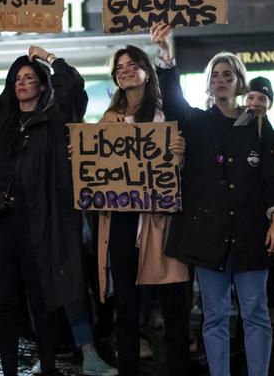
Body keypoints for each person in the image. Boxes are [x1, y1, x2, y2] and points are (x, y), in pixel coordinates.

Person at [0, 0, 89, 374]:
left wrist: (47, 56)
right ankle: (9, 369)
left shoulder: (56, 119)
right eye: (17, 79)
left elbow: (72, 85)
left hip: (41, 223)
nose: (22, 83)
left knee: (43, 297)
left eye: (30, 78)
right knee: (4, 301)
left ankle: (47, 366)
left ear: (42, 85)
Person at [154, 22, 274, 375]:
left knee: (256, 313)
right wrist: (167, 57)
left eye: (228, 74)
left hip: (250, 235)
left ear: (239, 82)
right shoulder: (194, 122)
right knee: (213, 315)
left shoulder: (261, 128)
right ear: (209, 82)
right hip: (208, 236)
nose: (221, 79)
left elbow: (271, 180)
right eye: (215, 74)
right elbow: (172, 102)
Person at [88, 42, 189, 376]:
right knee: (127, 309)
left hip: (161, 221)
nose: (126, 71)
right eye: (119, 68)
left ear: (147, 70)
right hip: (121, 222)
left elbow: (184, 155)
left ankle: (178, 368)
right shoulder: (108, 119)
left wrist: (179, 151)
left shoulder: (166, 112)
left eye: (132, 65)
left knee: (174, 306)